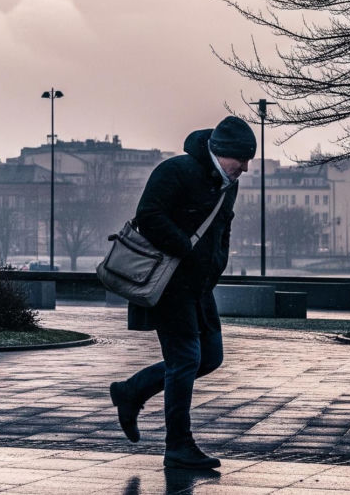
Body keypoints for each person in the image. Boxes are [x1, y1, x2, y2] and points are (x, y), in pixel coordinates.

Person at [108, 115, 256, 470]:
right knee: (186, 359)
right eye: (242, 159)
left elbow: (223, 227)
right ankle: (178, 445)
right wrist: (187, 251)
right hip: (169, 285)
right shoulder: (176, 170)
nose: (246, 168)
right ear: (220, 152)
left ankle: (131, 391)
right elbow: (149, 216)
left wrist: (217, 261)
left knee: (210, 357)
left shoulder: (227, 184)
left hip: (200, 285)